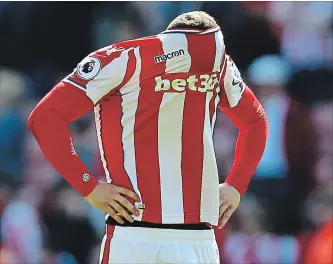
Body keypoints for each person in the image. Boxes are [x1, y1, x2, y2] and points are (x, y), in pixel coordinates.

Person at [27, 11, 268, 264]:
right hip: (190, 238)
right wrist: (236, 185)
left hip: (138, 234)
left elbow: (45, 116)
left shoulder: (124, 58)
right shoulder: (219, 65)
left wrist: (88, 186)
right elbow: (255, 120)